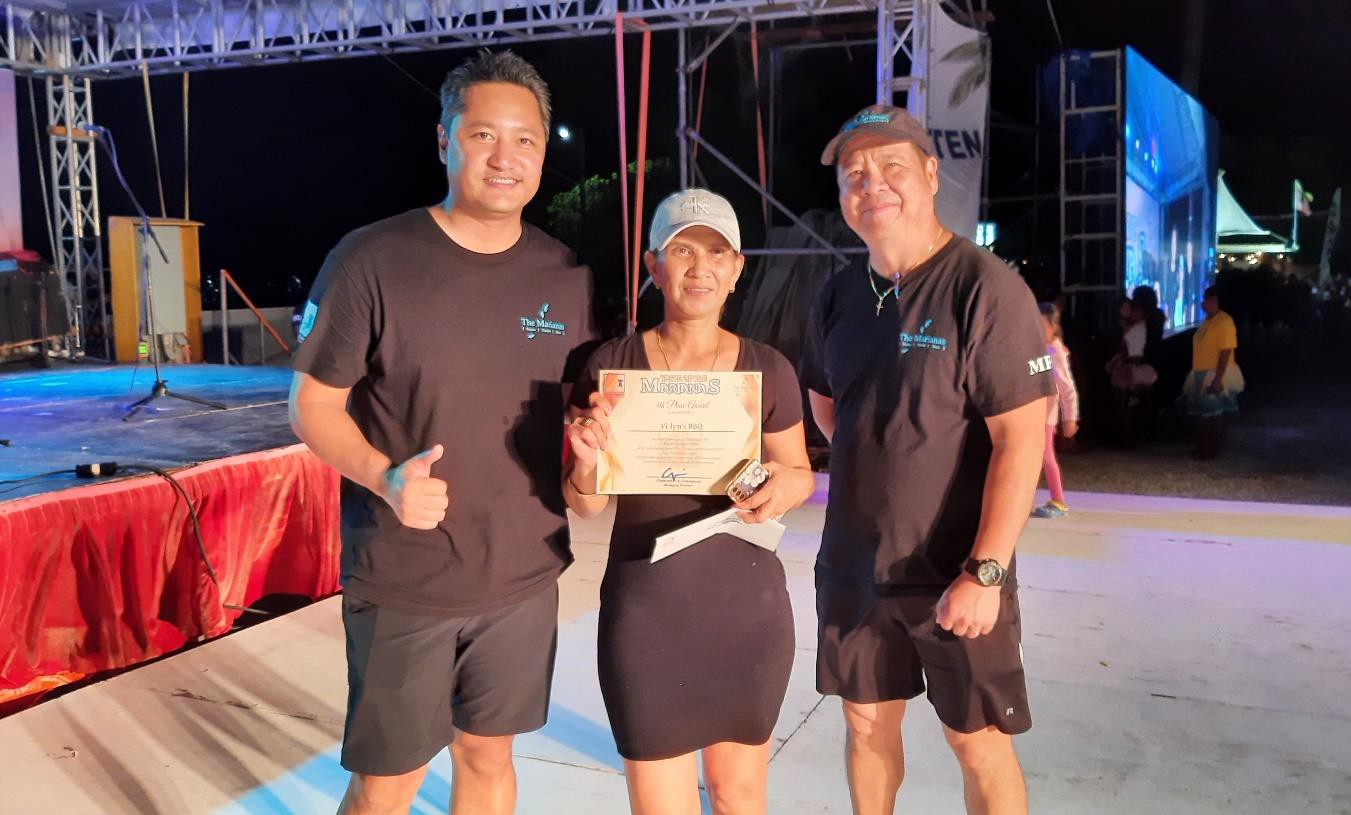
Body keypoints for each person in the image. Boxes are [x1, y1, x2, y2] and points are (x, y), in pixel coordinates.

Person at [288, 51, 595, 815]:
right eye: (483, 134)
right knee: (386, 783)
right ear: (444, 139)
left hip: (522, 575)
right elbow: (311, 404)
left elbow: (574, 419)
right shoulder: (373, 260)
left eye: (525, 140)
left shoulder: (567, 276)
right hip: (406, 574)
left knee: (489, 759)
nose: (506, 157)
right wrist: (384, 477)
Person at [803, 105, 1053, 815]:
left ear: (931, 174)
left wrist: (987, 570)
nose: (871, 184)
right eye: (855, 173)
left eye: (891, 168)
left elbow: (1021, 441)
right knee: (865, 724)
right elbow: (828, 408)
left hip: (956, 574)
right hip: (854, 569)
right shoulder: (838, 294)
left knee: (977, 741)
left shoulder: (985, 287)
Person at [562, 189, 816, 815]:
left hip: (745, 613)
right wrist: (588, 463)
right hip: (647, 615)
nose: (699, 268)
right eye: (681, 251)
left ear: (737, 269)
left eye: (716, 252)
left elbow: (801, 472)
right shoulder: (610, 366)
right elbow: (585, 506)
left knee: (736, 797)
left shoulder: (769, 370)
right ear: (654, 267)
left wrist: (784, 486)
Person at [1181, 285, 1245, 460]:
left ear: (1216, 301)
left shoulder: (1224, 321)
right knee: (1203, 413)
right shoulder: (1209, 321)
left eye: (1207, 300)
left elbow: (1225, 351)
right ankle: (1204, 446)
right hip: (1201, 371)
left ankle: (1211, 449)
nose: (1204, 303)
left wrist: (1218, 377)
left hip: (1214, 372)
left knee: (1213, 413)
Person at [1031, 303, 1079, 519]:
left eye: (1041, 324)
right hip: (1033, 411)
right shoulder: (1039, 349)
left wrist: (1070, 418)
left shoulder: (1054, 350)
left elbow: (1067, 388)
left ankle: (1058, 500)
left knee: (1046, 455)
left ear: (1052, 326)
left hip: (1046, 415)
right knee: (1033, 456)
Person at [1107, 298, 1158, 446]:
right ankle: (1132, 434)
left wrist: (1121, 359)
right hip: (1132, 367)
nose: (1130, 313)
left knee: (1126, 403)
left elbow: (1131, 351)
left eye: (1133, 310)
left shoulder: (1138, 328)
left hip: (1131, 367)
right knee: (1130, 403)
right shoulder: (1135, 327)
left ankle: (1129, 435)